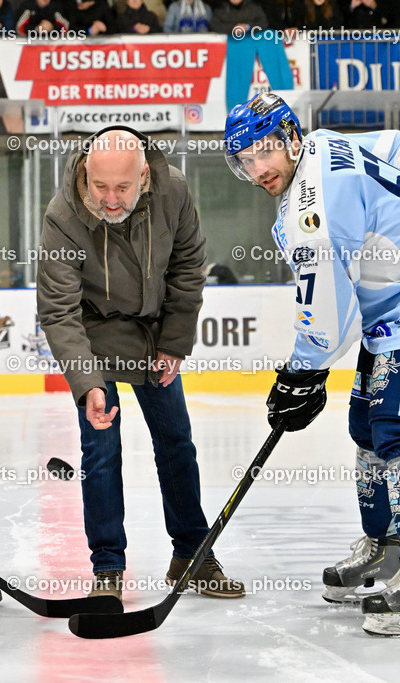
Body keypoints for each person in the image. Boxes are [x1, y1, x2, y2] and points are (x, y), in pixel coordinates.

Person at [224, 93, 400, 636]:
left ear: (291, 137)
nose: (257, 170)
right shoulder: (327, 145)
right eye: (244, 160)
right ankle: (390, 550)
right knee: (366, 425)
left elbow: (329, 321)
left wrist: (299, 374)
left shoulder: (312, 208)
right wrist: (395, 225)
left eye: (263, 152)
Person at [36, 127, 246, 604]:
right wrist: (87, 383)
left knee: (176, 441)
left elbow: (189, 265)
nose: (110, 200)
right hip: (94, 336)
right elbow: (58, 310)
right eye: (100, 186)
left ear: (144, 176)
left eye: (122, 188)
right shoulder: (63, 214)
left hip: (153, 337)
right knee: (102, 447)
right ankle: (107, 566)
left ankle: (191, 556)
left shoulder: (172, 189)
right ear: (86, 171)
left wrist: (173, 343)